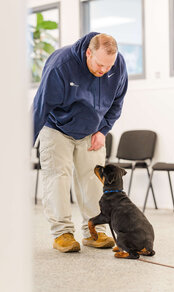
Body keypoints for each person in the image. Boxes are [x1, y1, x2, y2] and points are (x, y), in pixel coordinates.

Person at [33, 32, 128, 253]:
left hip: (92, 130)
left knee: (93, 180)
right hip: (56, 127)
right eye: (99, 64)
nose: (104, 71)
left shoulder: (117, 64)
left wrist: (103, 130)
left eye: (108, 66)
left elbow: (117, 101)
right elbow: (40, 108)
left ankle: (94, 231)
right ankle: (62, 233)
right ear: (88, 52)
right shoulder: (61, 65)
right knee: (58, 176)